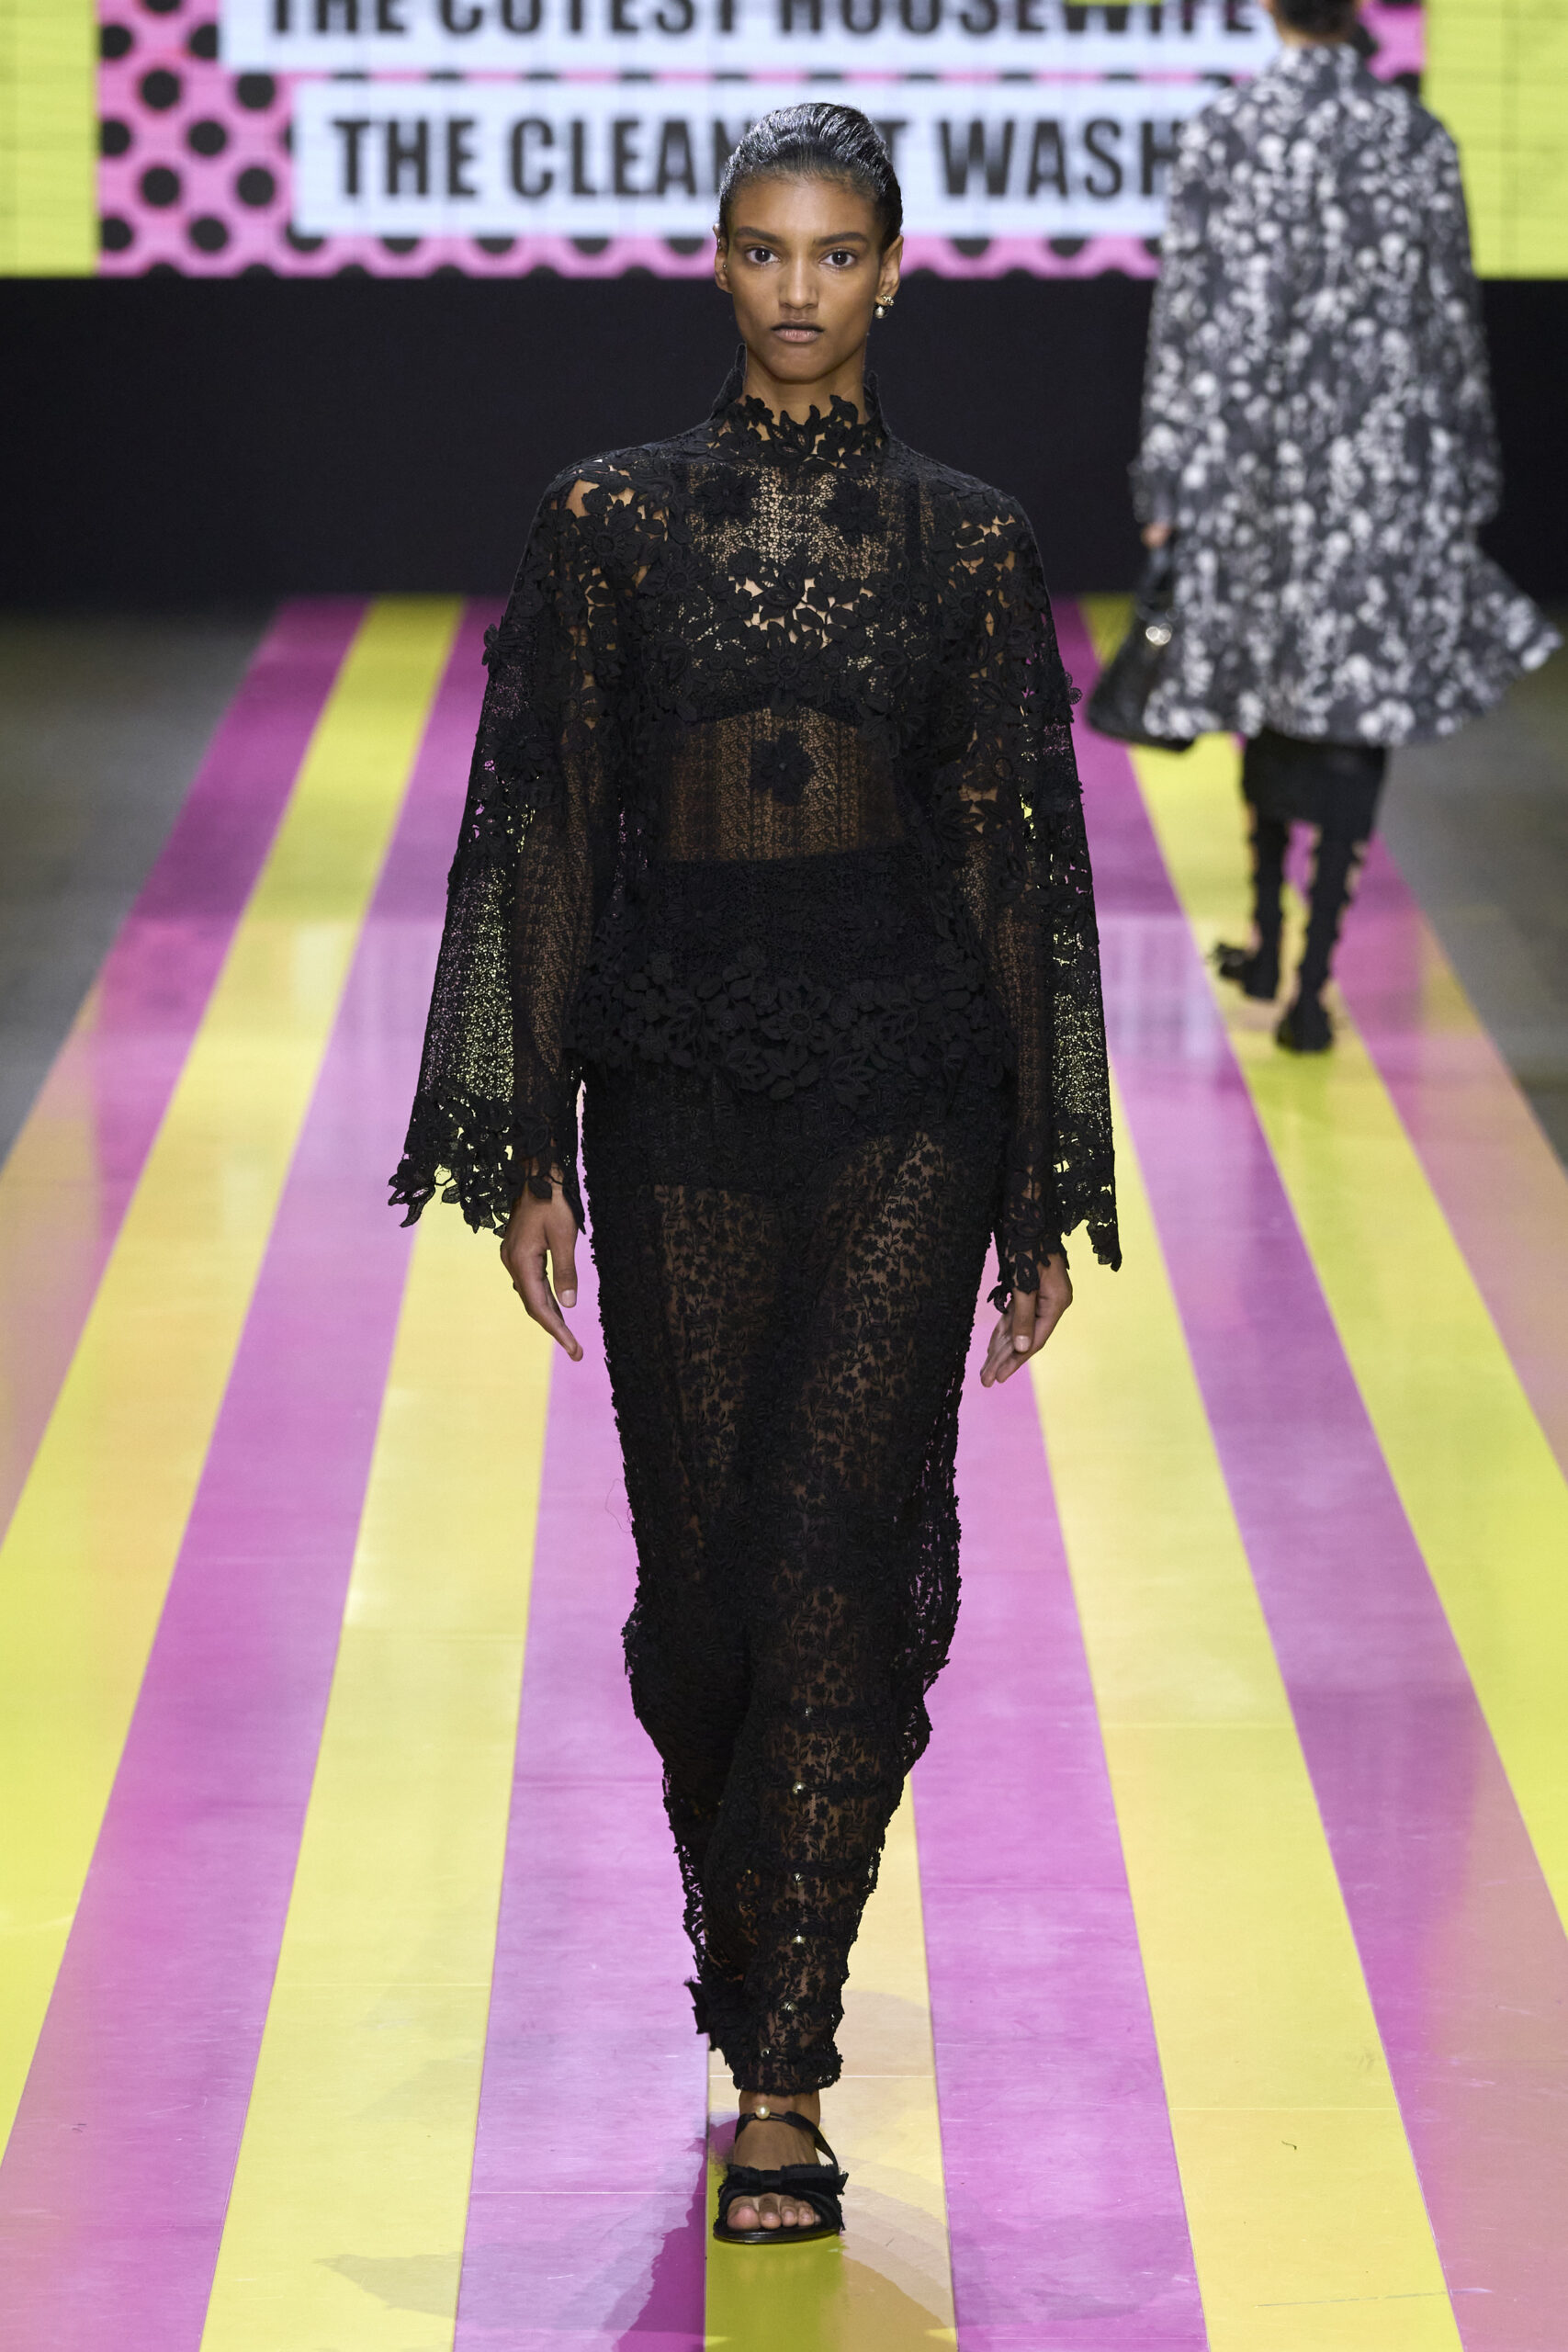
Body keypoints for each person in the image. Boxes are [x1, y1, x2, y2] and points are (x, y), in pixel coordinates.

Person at [390, 103, 1118, 2243]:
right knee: (705, 1592)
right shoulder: (604, 521)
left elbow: (1015, 863)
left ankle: (782, 2069)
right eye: (760, 250)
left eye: (833, 252)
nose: (796, 289)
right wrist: (526, 1135)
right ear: (717, 265)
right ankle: (748, 1944)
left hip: (906, 1085)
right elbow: (544, 823)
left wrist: (1039, 1170)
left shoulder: (968, 544)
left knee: (825, 1555)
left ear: (893, 268)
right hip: (678, 1083)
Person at [1132, 0, 1559, 1051]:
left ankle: (1268, 937)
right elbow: (1452, 327)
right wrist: (1469, 481)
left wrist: (1165, 490)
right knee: (1353, 720)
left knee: (1265, 703)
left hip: (1253, 477)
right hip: (1381, 479)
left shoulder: (1225, 132)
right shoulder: (1416, 137)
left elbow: (1186, 327)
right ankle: (1311, 980)